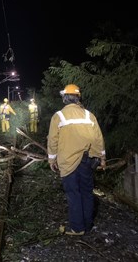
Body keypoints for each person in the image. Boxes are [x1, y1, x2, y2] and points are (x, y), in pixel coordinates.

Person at [47, 84, 106, 236]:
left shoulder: (58, 116)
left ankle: (77, 228)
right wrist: (102, 158)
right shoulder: (88, 115)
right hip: (86, 160)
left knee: (73, 194)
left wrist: (51, 159)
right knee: (86, 192)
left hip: (67, 162)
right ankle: (87, 225)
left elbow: (52, 140)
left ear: (65, 98)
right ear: (78, 98)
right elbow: (98, 139)